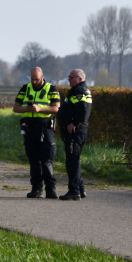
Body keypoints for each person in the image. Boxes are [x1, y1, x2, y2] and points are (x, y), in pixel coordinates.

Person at [13, 67, 60, 198]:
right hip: (29, 128)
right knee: (33, 160)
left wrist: (40, 109)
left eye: (36, 79)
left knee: (46, 160)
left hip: (45, 128)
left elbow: (56, 108)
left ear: (42, 76)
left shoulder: (51, 89)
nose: (34, 82)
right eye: (32, 79)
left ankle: (51, 189)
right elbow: (15, 108)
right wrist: (25, 109)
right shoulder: (25, 88)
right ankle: (36, 189)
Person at [57, 69, 92, 200]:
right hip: (75, 131)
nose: (69, 79)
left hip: (75, 132)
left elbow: (82, 109)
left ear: (79, 79)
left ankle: (74, 190)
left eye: (71, 77)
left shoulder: (80, 91)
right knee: (74, 160)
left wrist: (74, 123)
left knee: (72, 162)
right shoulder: (78, 90)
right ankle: (81, 189)